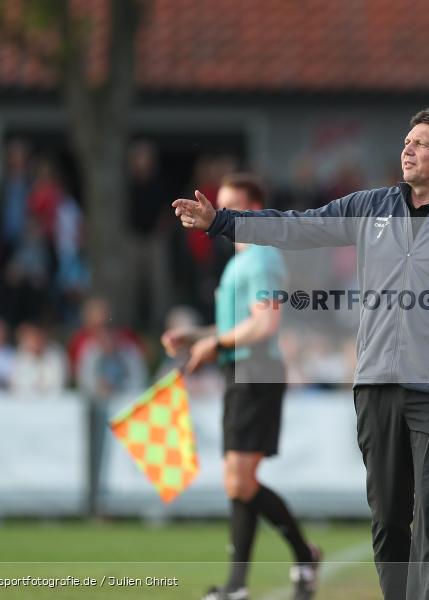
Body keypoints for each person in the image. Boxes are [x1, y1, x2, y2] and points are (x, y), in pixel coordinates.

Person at [173, 108, 429, 600]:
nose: (408, 148)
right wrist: (222, 223)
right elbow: (297, 227)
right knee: (387, 517)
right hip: (376, 384)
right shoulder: (370, 206)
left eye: (422, 143)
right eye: (407, 140)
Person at [163, 174, 320, 600]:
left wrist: (215, 342)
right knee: (239, 481)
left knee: (240, 480)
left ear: (253, 211)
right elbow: (238, 324)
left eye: (232, 207)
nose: (219, 213)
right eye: (220, 205)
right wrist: (197, 336)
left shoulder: (264, 258)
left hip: (258, 370)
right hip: (240, 371)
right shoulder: (239, 261)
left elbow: (265, 324)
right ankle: (253, 578)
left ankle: (293, 560)